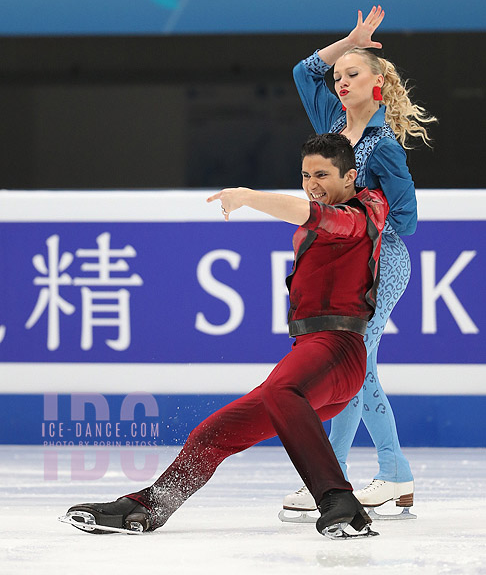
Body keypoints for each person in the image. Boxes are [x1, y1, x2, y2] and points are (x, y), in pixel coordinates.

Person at [62, 133, 389, 539]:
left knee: (281, 390)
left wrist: (248, 196)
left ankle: (340, 501)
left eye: (322, 174)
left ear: (350, 176)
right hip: (312, 356)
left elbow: (317, 216)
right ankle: (151, 506)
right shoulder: (327, 215)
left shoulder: (360, 213)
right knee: (212, 434)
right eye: (305, 174)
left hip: (339, 349)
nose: (311, 183)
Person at [283, 6, 437, 518]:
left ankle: (365, 476)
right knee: (354, 366)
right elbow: (304, 71)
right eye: (339, 76)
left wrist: (360, 211)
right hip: (342, 262)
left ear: (378, 84)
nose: (340, 82)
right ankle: (359, 478)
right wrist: (350, 39)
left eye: (353, 74)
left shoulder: (384, 147)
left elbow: (408, 220)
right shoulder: (331, 122)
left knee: (356, 365)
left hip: (380, 261)